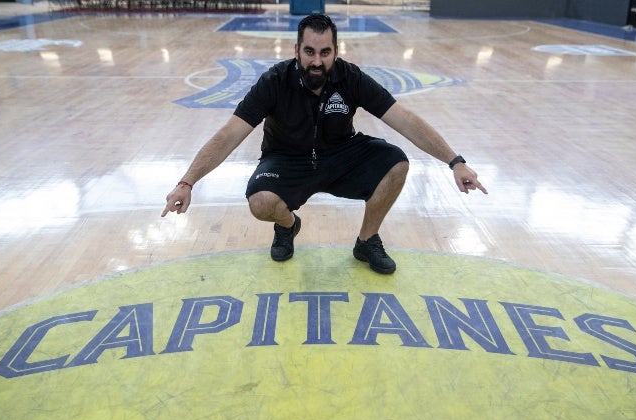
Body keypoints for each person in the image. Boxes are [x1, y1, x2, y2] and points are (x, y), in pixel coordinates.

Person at [162, 13, 487, 274]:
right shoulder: (274, 82)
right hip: (286, 159)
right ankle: (288, 226)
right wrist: (187, 181)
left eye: (325, 52)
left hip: (341, 154)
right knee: (260, 202)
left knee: (396, 162)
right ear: (297, 51)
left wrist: (455, 161)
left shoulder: (350, 78)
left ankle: (367, 240)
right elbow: (228, 135)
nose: (317, 61)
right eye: (309, 52)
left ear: (335, 52)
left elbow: (404, 119)